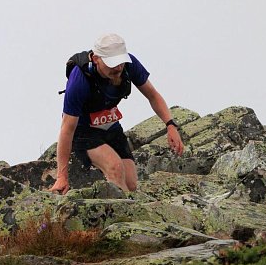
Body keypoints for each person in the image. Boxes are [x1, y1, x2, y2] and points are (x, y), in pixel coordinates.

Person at [49, 33, 183, 194]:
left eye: (120, 62)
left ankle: (107, 200)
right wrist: (61, 176)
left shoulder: (129, 65)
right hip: (83, 131)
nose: (118, 68)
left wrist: (170, 125)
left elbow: (152, 95)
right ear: (96, 58)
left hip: (110, 126)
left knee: (131, 184)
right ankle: (123, 214)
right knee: (115, 168)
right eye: (112, 64)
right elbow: (67, 128)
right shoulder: (79, 80)